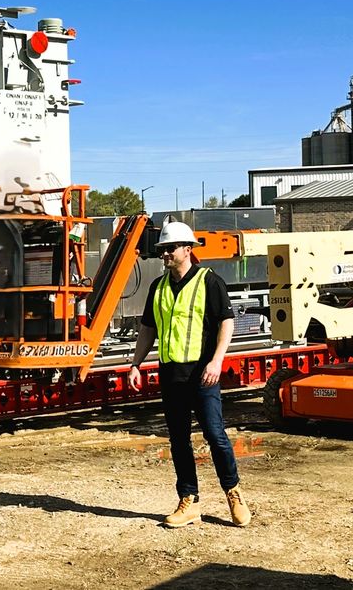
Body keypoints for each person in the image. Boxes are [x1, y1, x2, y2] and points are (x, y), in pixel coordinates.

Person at [126, 220, 252, 528]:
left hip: (203, 374)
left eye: (170, 249)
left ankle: (233, 492)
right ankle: (189, 500)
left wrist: (217, 361)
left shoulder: (210, 282)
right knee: (178, 440)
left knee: (215, 435)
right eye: (162, 250)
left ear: (187, 249)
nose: (165, 254)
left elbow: (226, 323)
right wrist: (135, 364)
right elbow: (148, 330)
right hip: (172, 375)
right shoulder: (157, 288)